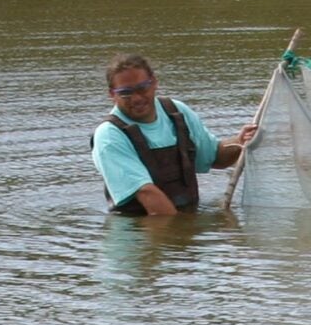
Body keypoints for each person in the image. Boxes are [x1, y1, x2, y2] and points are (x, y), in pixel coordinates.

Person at [91, 53, 257, 217]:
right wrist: (188, 228)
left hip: (182, 217)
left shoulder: (177, 112)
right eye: (126, 93)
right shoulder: (109, 135)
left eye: (142, 88)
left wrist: (241, 142)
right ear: (112, 94)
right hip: (139, 227)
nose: (136, 98)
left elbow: (216, 157)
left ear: (154, 82)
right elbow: (147, 194)